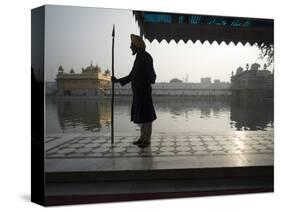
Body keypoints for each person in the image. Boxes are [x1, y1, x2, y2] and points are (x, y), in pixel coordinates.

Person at [112, 34, 157, 148]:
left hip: (144, 93)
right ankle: (142, 138)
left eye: (132, 45)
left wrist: (149, 78)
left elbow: (152, 77)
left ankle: (146, 140)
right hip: (138, 93)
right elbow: (131, 76)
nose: (130, 47)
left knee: (147, 117)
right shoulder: (138, 59)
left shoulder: (146, 57)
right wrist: (117, 81)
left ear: (137, 46)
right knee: (142, 117)